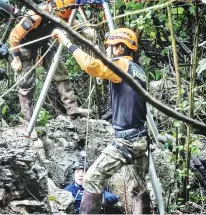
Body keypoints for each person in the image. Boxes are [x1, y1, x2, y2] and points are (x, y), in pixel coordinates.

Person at [52, 28, 151, 214]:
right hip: (140, 138)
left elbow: (91, 65)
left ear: (121, 48)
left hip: (127, 140)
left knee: (91, 179)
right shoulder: (137, 70)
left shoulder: (121, 64)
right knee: (138, 187)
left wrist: (66, 42)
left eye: (110, 47)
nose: (108, 51)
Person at [9, 0, 94, 139]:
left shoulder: (61, 10)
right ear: (53, 6)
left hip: (44, 44)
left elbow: (70, 21)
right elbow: (14, 36)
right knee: (26, 84)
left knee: (60, 71)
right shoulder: (35, 16)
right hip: (24, 47)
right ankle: (29, 123)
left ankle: (73, 109)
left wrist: (85, 30)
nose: (63, 18)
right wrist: (16, 58)